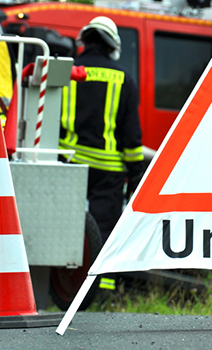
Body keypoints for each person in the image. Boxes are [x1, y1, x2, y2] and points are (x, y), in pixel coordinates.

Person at [59, 16, 144, 248]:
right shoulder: (124, 79)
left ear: (85, 40)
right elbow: (131, 135)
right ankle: (102, 283)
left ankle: (66, 279)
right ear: (112, 44)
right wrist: (136, 173)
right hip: (107, 173)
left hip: (69, 163)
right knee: (103, 232)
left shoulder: (67, 71)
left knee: (64, 226)